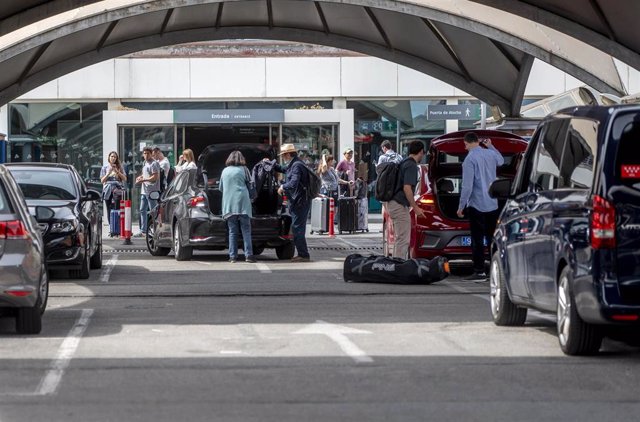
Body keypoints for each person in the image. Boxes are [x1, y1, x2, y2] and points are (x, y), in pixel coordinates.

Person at [457, 132, 505, 282]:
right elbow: (501, 161)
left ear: (469, 142)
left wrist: (461, 206)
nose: (465, 148)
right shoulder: (491, 154)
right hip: (492, 203)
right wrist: (491, 145)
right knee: (492, 238)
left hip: (476, 204)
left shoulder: (469, 159)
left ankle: (479, 271)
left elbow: (467, 187)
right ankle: (494, 270)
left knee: (477, 239)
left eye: (465, 145)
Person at [272, 143, 312, 262]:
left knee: (297, 228)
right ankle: (302, 253)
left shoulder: (296, 166)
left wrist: (282, 187)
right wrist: (272, 163)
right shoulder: (294, 164)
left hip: (300, 202)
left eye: (284, 155)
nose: (283, 157)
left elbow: (293, 183)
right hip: (297, 201)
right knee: (297, 228)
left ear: (288, 154)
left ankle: (303, 255)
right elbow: (283, 169)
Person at [387, 140, 426, 259]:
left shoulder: (404, 162)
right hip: (399, 204)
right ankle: (398, 268)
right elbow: (407, 188)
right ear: (421, 152)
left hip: (394, 203)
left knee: (401, 238)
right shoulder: (411, 166)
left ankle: (396, 265)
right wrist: (415, 207)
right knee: (403, 239)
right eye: (423, 153)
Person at [220, 150, 255, 263]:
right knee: (246, 231)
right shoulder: (244, 169)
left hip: (229, 205)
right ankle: (248, 256)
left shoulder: (224, 171)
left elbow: (221, 188)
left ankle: (232, 257)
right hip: (243, 204)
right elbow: (251, 184)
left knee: (232, 231)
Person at [134, 146, 160, 237]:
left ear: (151, 153)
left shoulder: (154, 163)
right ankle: (143, 231)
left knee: (153, 212)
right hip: (144, 191)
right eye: (144, 153)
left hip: (152, 191)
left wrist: (143, 180)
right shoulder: (145, 162)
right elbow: (145, 174)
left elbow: (155, 177)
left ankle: (155, 230)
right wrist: (140, 177)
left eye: (148, 153)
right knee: (142, 210)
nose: (146, 155)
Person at [100, 151, 127, 218]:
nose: (113, 158)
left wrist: (117, 171)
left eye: (115, 157)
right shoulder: (104, 167)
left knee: (117, 207)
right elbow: (102, 180)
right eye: (112, 156)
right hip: (107, 189)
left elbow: (125, 179)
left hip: (117, 189)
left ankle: (117, 224)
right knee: (108, 207)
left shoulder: (120, 167)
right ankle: (111, 225)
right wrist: (108, 173)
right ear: (109, 157)